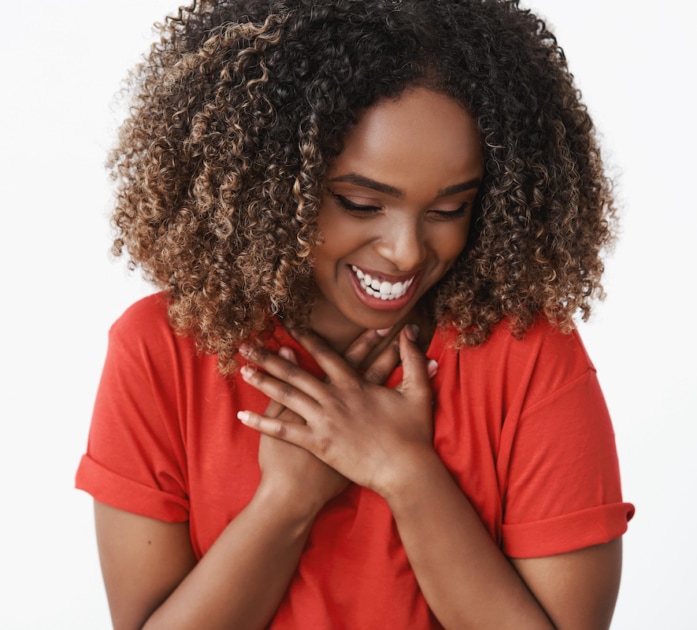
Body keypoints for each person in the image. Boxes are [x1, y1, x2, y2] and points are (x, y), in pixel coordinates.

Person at [76, 0, 634, 627]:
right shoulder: (163, 349)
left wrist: (404, 471)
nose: (406, 251)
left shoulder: (528, 357)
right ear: (272, 177)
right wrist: (287, 499)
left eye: (449, 209)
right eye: (361, 203)